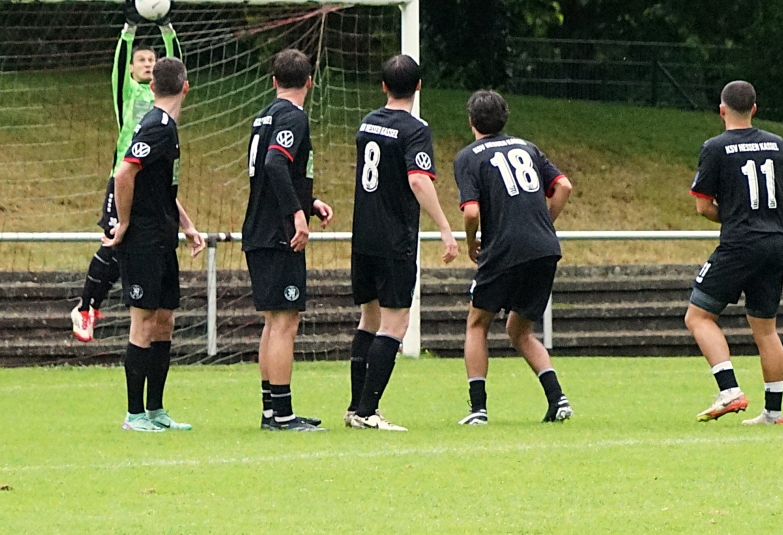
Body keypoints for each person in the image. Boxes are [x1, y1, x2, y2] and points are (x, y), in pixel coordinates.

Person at [345, 55, 459, 431]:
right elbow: (418, 179)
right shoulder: (415, 129)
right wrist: (444, 227)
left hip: (363, 235)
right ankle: (367, 412)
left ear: (383, 86)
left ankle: (355, 408)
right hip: (394, 238)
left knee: (369, 319)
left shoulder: (367, 123)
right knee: (395, 325)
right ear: (419, 86)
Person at [685, 80, 783, 424]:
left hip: (739, 243)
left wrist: (738, 217)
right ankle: (773, 412)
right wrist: (769, 217)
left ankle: (729, 391)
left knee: (698, 317)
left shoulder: (715, 147)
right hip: (773, 244)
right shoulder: (777, 144)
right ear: (754, 109)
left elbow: (703, 207)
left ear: (721, 110)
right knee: (766, 329)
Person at [453, 90, 574, 425]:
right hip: (544, 248)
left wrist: (471, 243)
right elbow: (563, 186)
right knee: (519, 330)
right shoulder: (527, 147)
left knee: (477, 324)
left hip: (503, 248)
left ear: (471, 121)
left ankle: (478, 409)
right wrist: (544, 223)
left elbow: (471, 212)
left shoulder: (468, 157)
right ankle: (558, 399)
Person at [107, 56, 207, 432]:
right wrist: (125, 222)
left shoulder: (167, 127)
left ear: (153, 87)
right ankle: (133, 415)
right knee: (143, 322)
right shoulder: (157, 127)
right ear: (186, 87)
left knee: (165, 321)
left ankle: (156, 410)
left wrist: (187, 226)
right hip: (143, 240)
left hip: (163, 238)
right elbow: (123, 174)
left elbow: (161, 188)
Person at [71, 6, 181, 342]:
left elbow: (176, 68)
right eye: (141, 60)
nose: (147, 64)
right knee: (113, 240)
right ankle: (86, 307)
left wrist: (168, 29)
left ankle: (93, 306)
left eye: (152, 60)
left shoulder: (164, 98)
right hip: (124, 176)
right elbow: (118, 65)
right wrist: (129, 28)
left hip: (154, 183)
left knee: (131, 247)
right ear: (132, 68)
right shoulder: (128, 92)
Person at [242, 48, 334, 432]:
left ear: (274, 80)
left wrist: (309, 202)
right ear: (310, 82)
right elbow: (275, 163)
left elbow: (271, 173)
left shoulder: (264, 115)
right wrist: (297, 213)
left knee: (274, 322)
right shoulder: (294, 116)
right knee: (285, 323)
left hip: (259, 227)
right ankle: (282, 415)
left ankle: (271, 410)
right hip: (278, 233)